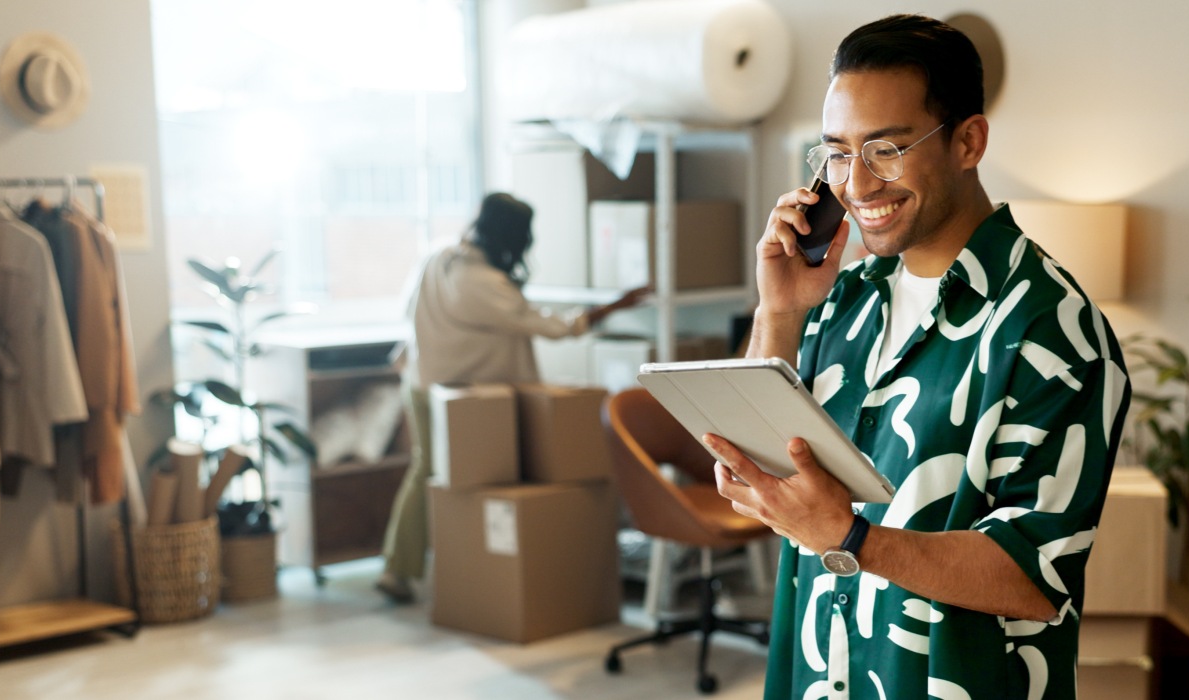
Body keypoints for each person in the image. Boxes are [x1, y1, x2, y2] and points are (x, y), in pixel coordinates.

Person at [704, 15, 1131, 700]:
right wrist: (779, 313)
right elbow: (760, 464)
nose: (857, 184)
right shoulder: (846, 298)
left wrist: (851, 536)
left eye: (887, 149)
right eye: (837, 153)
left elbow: (1034, 578)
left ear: (969, 141)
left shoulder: (1053, 329)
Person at [377, 192, 645, 603]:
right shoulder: (484, 284)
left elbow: (408, 316)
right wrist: (615, 306)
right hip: (466, 401)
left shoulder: (438, 260)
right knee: (471, 483)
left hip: (422, 384)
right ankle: (436, 572)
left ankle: (407, 567)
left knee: (428, 472)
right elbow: (551, 327)